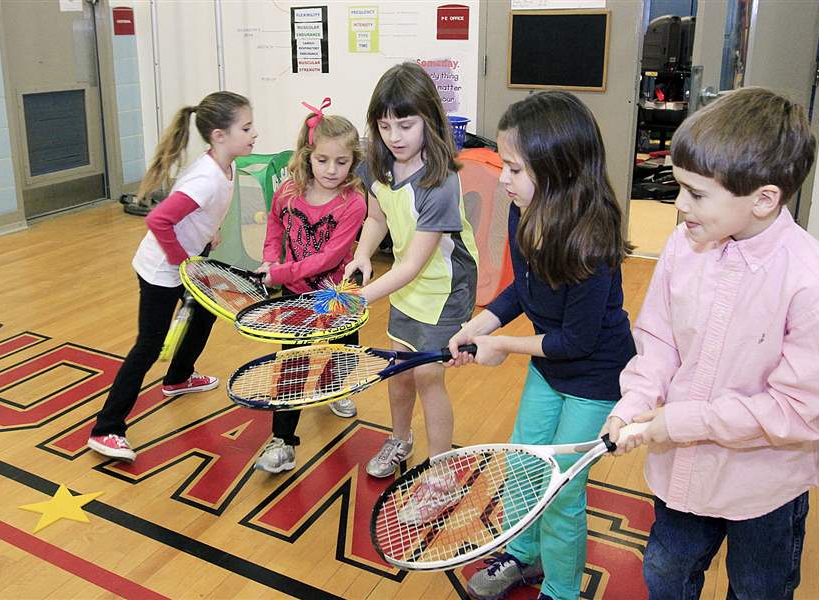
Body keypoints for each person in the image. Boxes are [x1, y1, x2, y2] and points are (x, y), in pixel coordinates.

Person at [602, 87, 819, 599]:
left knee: (757, 589)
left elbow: (800, 410)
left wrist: (681, 421)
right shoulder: (683, 244)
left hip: (764, 488)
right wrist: (635, 402)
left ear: (764, 199)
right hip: (683, 473)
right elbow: (658, 337)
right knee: (665, 572)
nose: (679, 206)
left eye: (696, 194)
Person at [446, 91, 636, 600]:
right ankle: (523, 557)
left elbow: (576, 340)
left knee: (563, 491)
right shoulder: (522, 208)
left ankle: (561, 591)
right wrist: (480, 325)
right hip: (551, 370)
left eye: (512, 168)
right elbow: (524, 290)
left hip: (595, 378)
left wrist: (504, 345)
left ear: (558, 169)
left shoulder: (592, 237)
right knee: (525, 466)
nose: (501, 178)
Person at [88, 91, 257, 463]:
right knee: (148, 346)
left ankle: (179, 377)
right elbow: (159, 220)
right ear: (219, 135)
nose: (253, 133)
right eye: (246, 128)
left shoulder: (224, 166)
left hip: (181, 262)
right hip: (160, 270)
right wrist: (183, 261)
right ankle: (106, 428)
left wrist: (207, 233)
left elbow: (196, 213)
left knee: (205, 311)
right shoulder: (207, 178)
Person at [343, 62, 479, 479]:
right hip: (405, 281)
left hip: (444, 287)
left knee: (426, 375)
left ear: (429, 120)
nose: (394, 136)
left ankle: (440, 469)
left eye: (405, 124)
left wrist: (361, 298)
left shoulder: (438, 183)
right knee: (398, 371)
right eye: (384, 126)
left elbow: (417, 263)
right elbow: (377, 218)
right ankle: (399, 439)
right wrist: (363, 254)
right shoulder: (378, 164)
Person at [253, 99, 367, 473]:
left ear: (353, 160)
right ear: (307, 154)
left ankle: (334, 389)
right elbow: (274, 225)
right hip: (295, 295)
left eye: (342, 162)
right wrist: (270, 259)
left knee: (344, 352)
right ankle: (282, 442)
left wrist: (279, 273)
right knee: (291, 364)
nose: (332, 170)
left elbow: (331, 258)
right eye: (322, 160)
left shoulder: (353, 203)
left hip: (336, 296)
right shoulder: (288, 190)